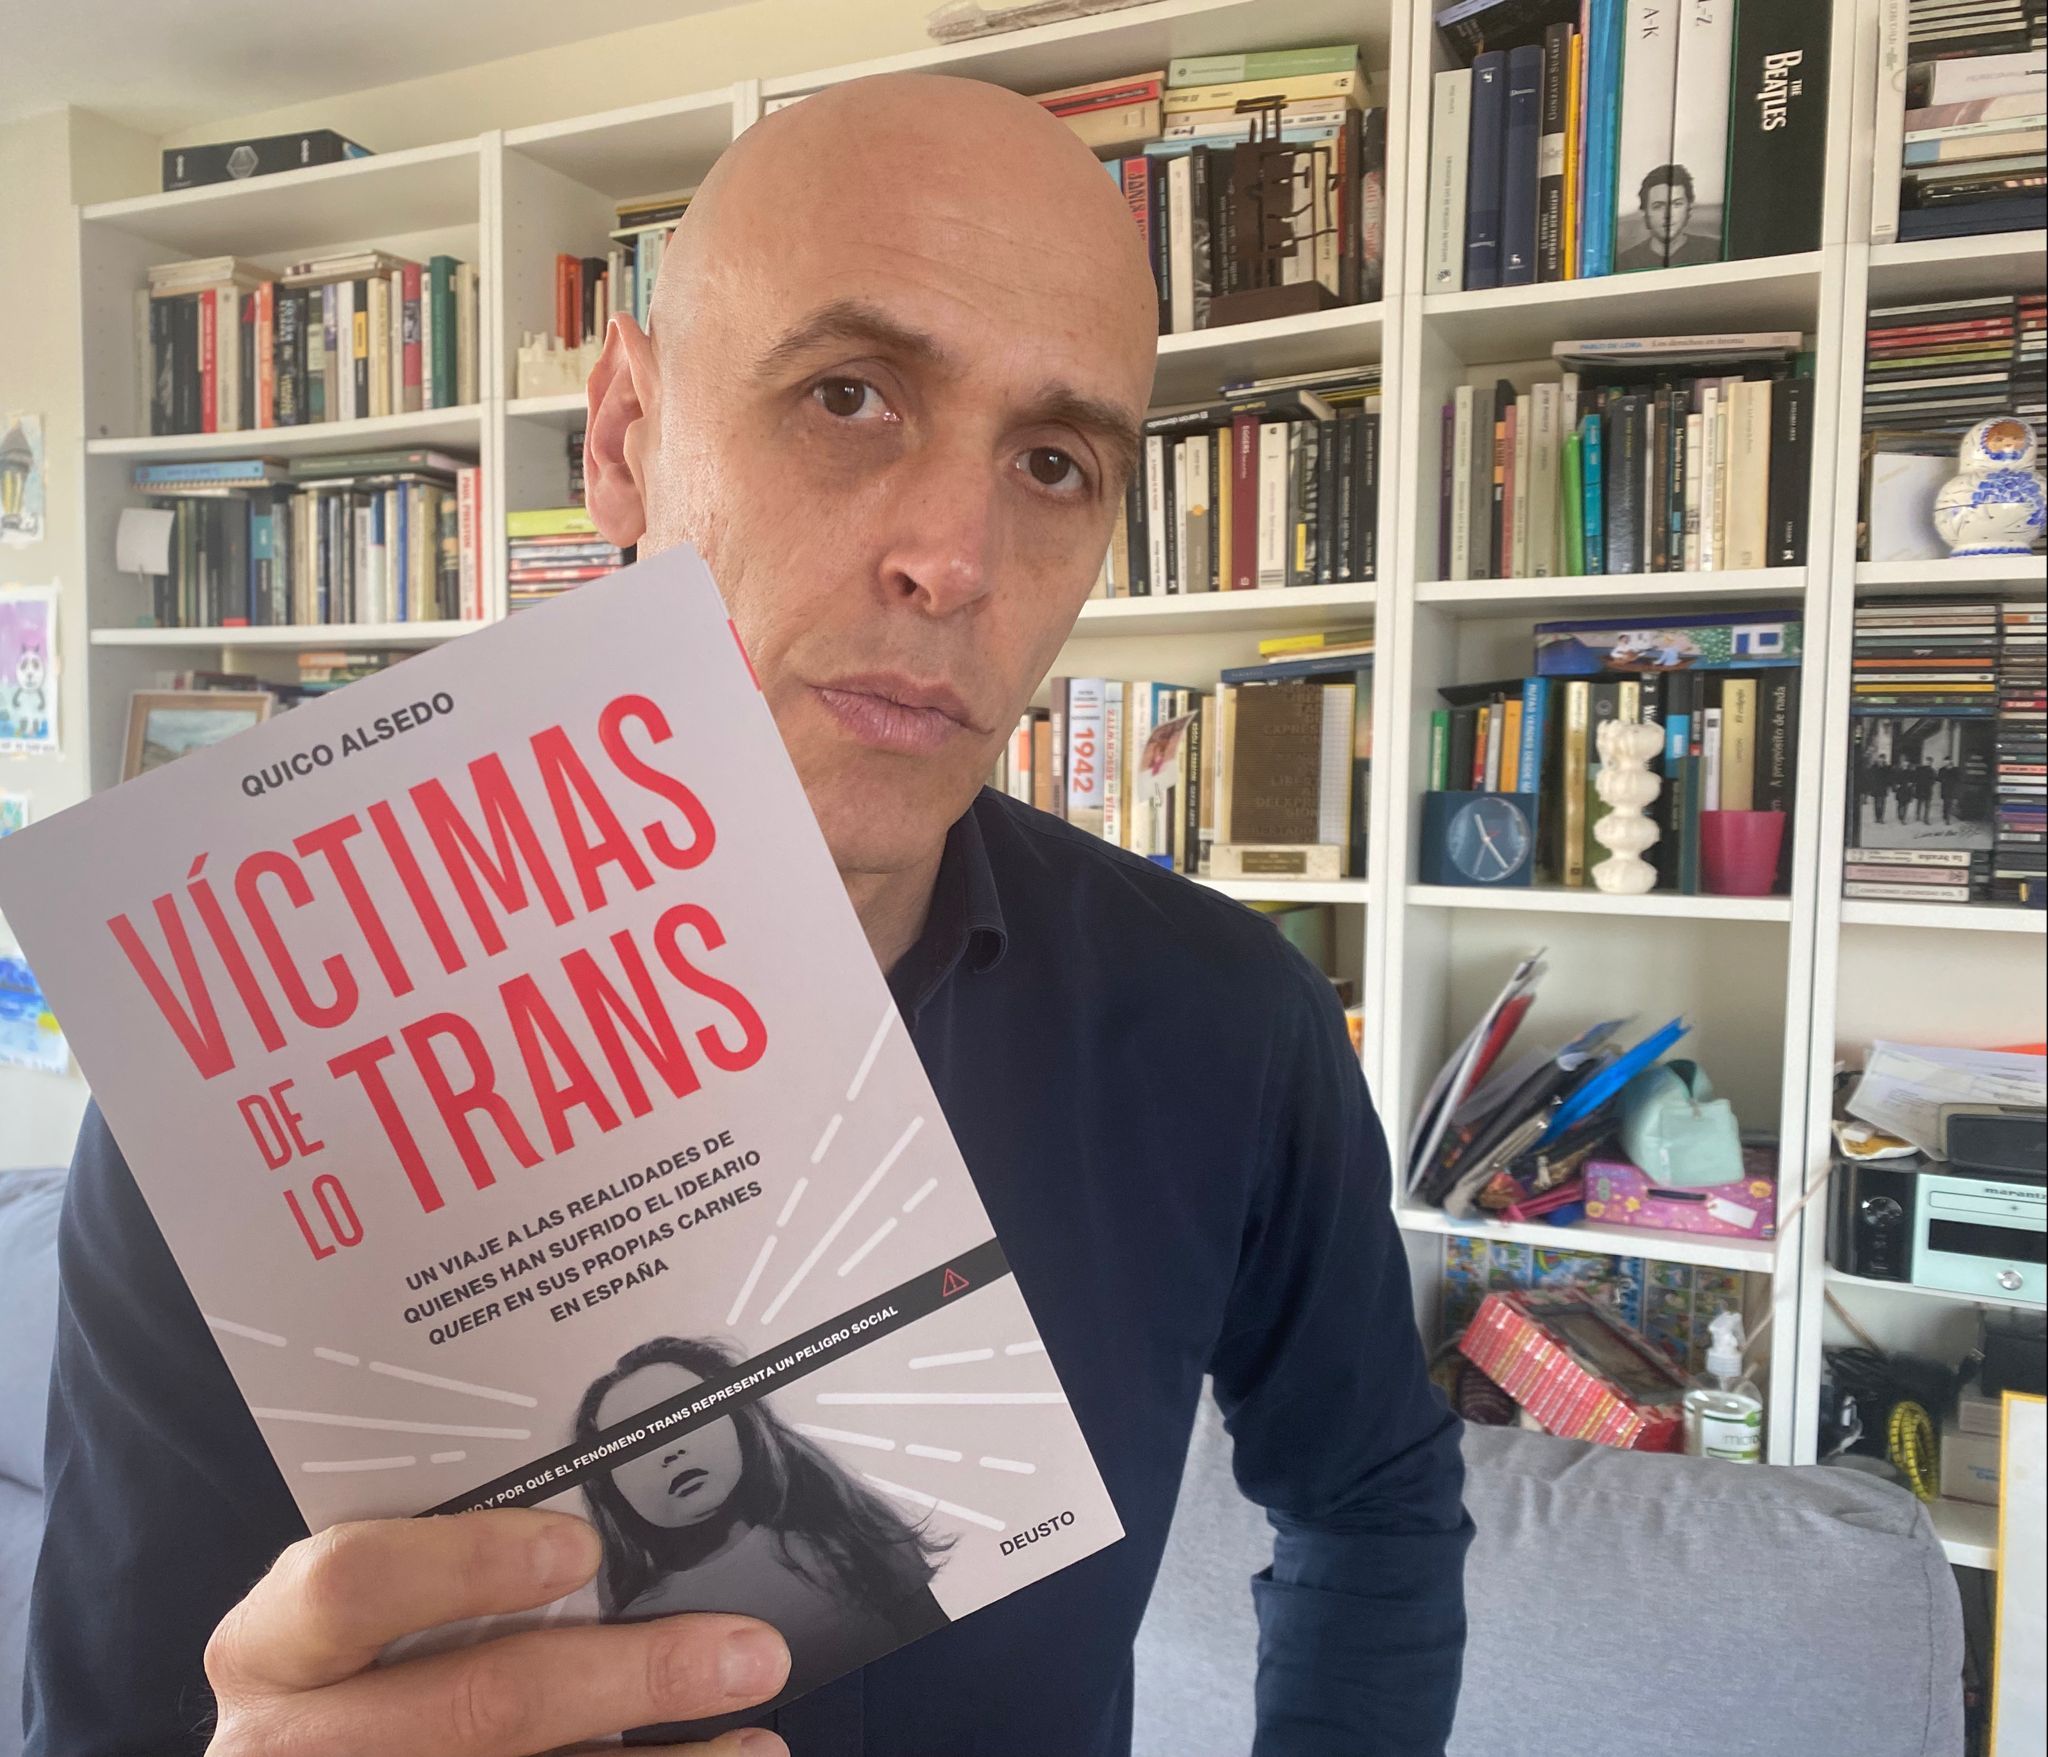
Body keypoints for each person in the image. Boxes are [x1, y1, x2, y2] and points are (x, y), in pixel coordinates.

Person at [26, 73, 1469, 1757]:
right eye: (847, 395)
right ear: (624, 439)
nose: (955, 558)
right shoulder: (246, 1101)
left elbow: (1371, 1495)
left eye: (1054, 461)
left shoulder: (1231, 1021)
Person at [575, 1337, 949, 1722]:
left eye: (688, 1418)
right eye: (634, 1445)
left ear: (740, 1421)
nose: (670, 1451)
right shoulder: (634, 1627)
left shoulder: (844, 1534)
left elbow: (944, 1657)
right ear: (610, 1486)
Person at [1613, 163, 1720, 272]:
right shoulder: (1625, 262)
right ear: (1645, 212)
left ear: (1689, 207)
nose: (1668, 215)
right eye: (1658, 206)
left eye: (1677, 204)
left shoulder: (1714, 250)